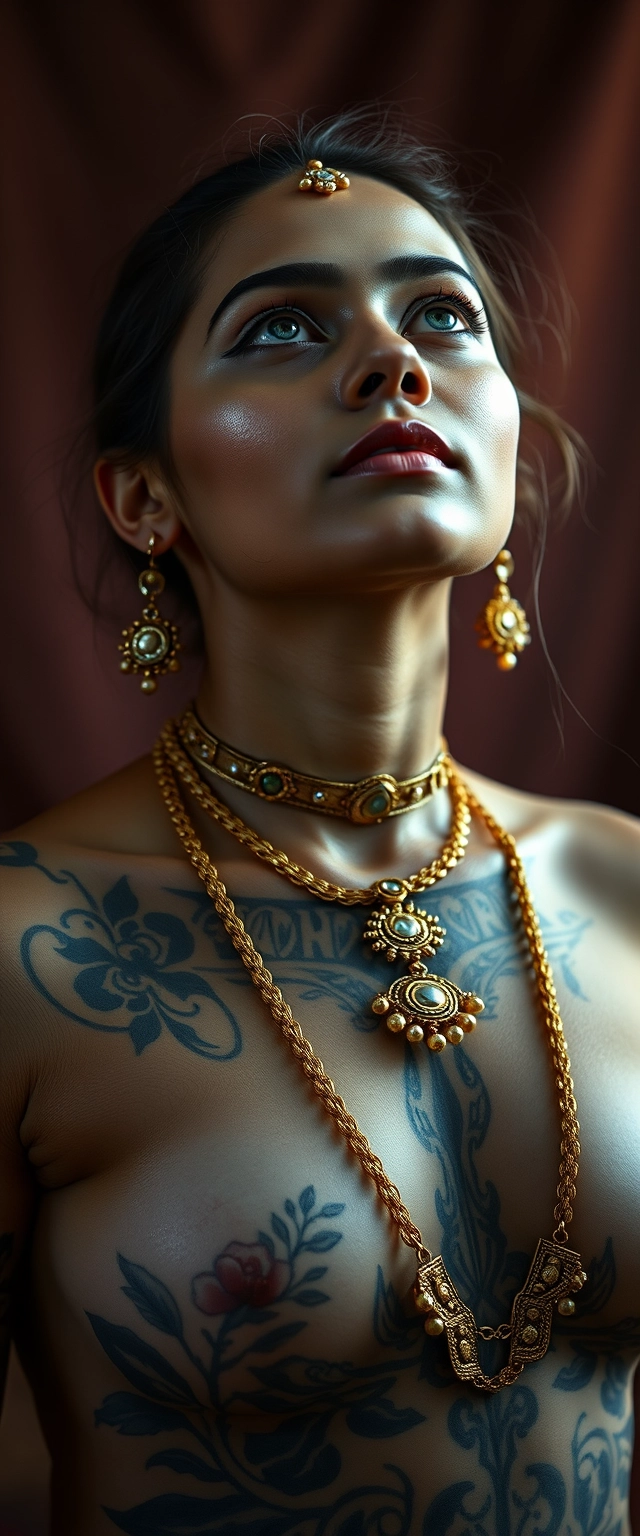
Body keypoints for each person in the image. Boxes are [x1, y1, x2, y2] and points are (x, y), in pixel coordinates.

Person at [1, 114, 638, 1535]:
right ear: (144, 495)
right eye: (283, 329)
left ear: (519, 452)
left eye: (443, 317)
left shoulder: (622, 885)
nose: (395, 362)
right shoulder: (27, 948)